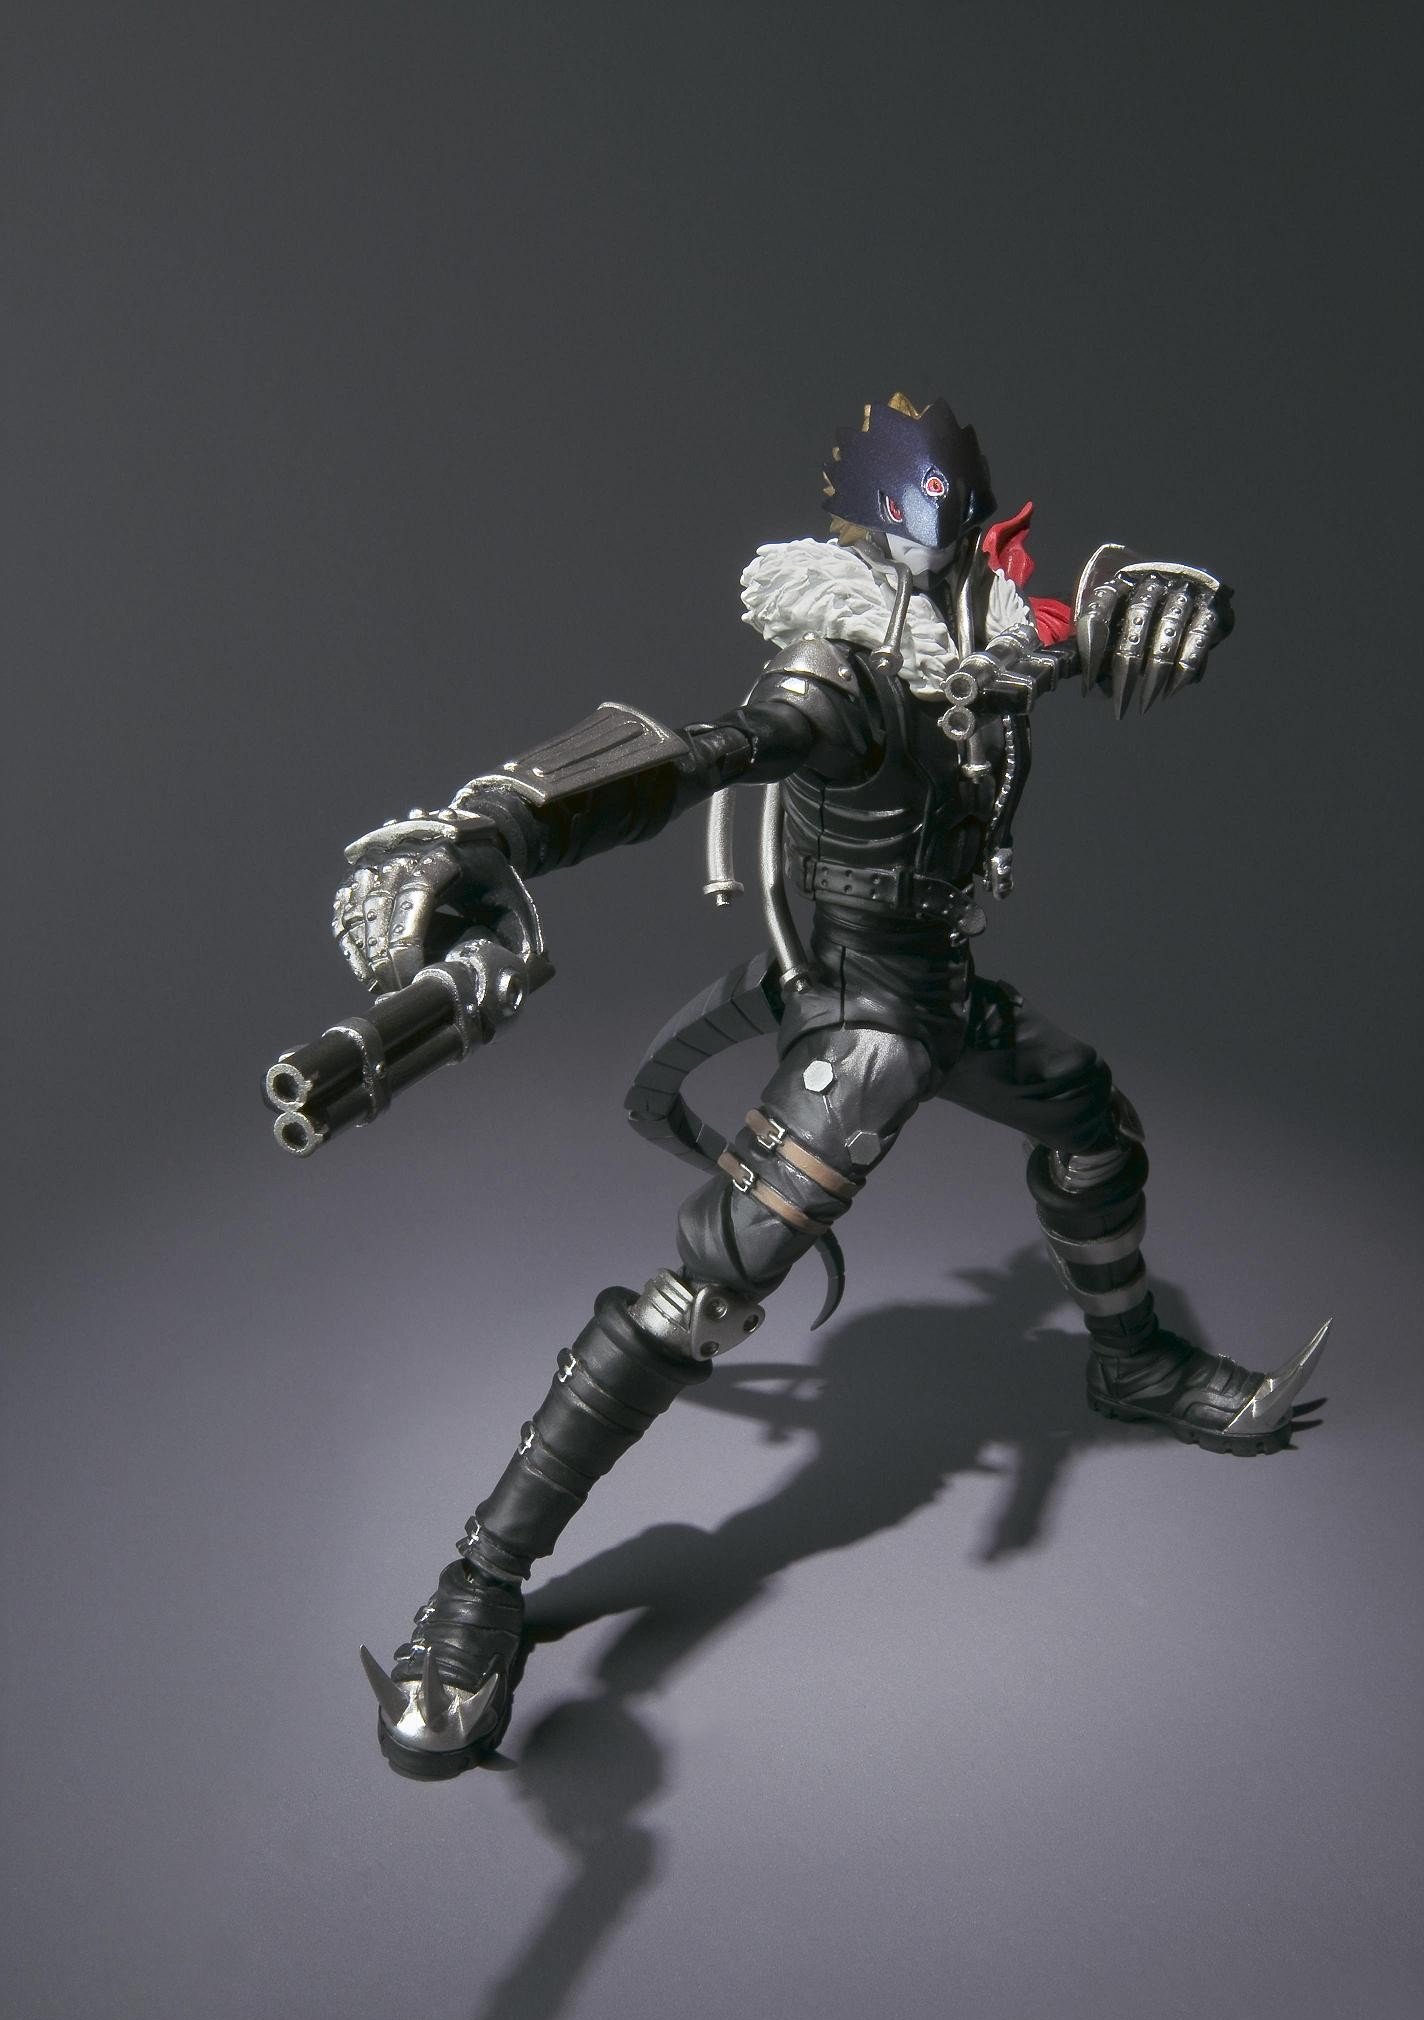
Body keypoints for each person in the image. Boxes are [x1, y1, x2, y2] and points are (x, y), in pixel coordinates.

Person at [330, 393, 1327, 1775]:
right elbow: (692, 758)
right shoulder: (837, 678)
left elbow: (1071, 628)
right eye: (928, 530)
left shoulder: (980, 635)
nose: (948, 550)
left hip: (942, 998)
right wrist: (481, 823)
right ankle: (478, 1583)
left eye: (962, 530)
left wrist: (1158, 595)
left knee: (1092, 1121)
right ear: (866, 533)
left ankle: (1132, 1361)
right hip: (859, 1031)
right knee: (705, 1295)